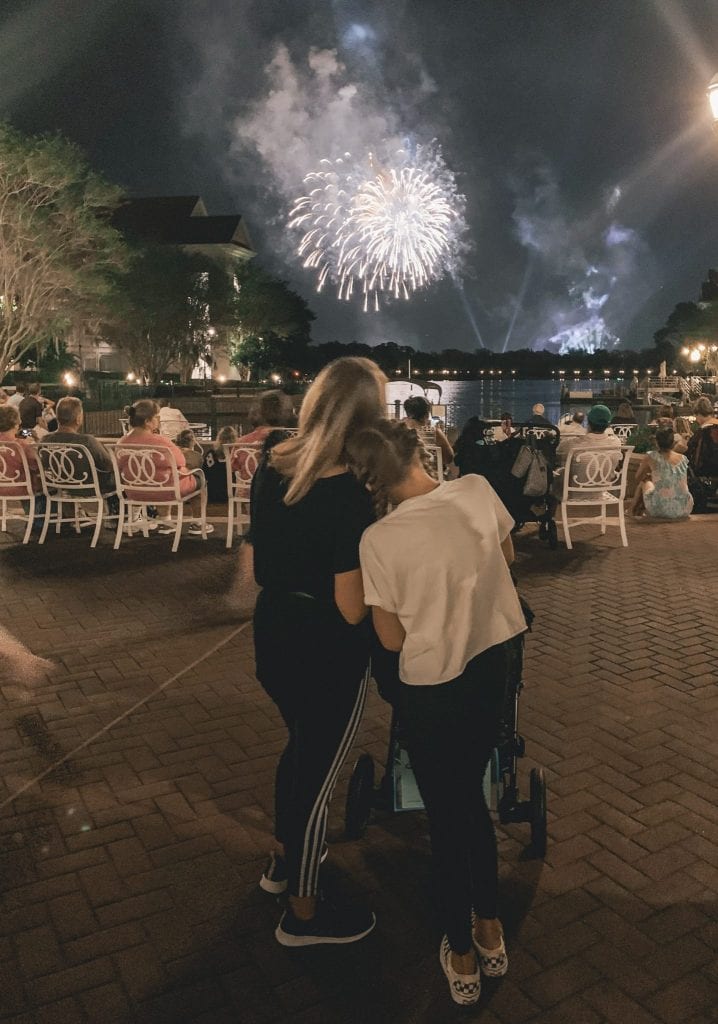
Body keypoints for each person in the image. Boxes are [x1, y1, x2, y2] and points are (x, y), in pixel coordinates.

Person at [348, 420, 526, 1007]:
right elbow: (507, 556)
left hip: (435, 684)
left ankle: (462, 948)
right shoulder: (475, 489)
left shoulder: (380, 540)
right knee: (469, 801)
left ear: (369, 476)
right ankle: (491, 925)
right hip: (490, 667)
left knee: (448, 815)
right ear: (418, 453)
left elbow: (392, 639)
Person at [250, 356, 386, 947]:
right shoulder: (347, 496)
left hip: (274, 626)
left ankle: (283, 864)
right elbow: (352, 608)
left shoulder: (270, 465)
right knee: (317, 780)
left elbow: (260, 558)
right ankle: (304, 915)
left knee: (300, 751)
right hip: (328, 647)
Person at [119, 400, 206, 535]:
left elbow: (120, 467)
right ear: (148, 421)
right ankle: (198, 523)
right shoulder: (161, 442)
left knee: (163, 473)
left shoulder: (122, 442)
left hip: (134, 492)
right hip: (164, 491)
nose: (159, 420)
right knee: (199, 479)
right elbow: (181, 461)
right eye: (157, 417)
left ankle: (161, 521)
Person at [48, 397, 115, 492]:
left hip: (60, 487)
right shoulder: (87, 441)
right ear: (78, 419)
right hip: (89, 488)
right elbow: (109, 465)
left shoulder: (44, 440)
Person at [630, 425, 693, 520]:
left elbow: (638, 477)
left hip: (660, 508)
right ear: (673, 442)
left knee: (644, 481)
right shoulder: (683, 458)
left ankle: (631, 510)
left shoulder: (651, 456)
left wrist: (649, 475)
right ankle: (637, 510)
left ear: (656, 441)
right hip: (684, 507)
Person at [403, 395, 454, 470]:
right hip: (430, 474)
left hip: (405, 476)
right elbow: (449, 458)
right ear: (426, 414)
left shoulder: (399, 430)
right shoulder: (434, 432)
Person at [202, 426, 238, 503]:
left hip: (212, 494)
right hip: (233, 494)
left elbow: (204, 473)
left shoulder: (211, 454)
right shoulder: (237, 454)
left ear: (219, 439)